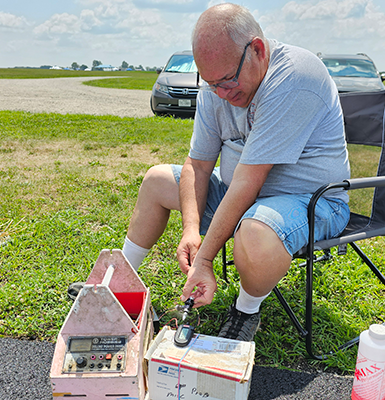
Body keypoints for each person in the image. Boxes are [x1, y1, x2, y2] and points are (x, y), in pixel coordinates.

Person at [123, 2, 351, 342]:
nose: (222, 94)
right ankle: (117, 284)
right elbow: (198, 165)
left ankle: (246, 311)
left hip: (312, 202)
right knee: (158, 180)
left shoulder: (295, 75)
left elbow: (248, 181)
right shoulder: (217, 85)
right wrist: (191, 228)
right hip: (244, 200)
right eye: (211, 83)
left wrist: (204, 258)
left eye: (228, 80)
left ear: (257, 50)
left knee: (255, 231)